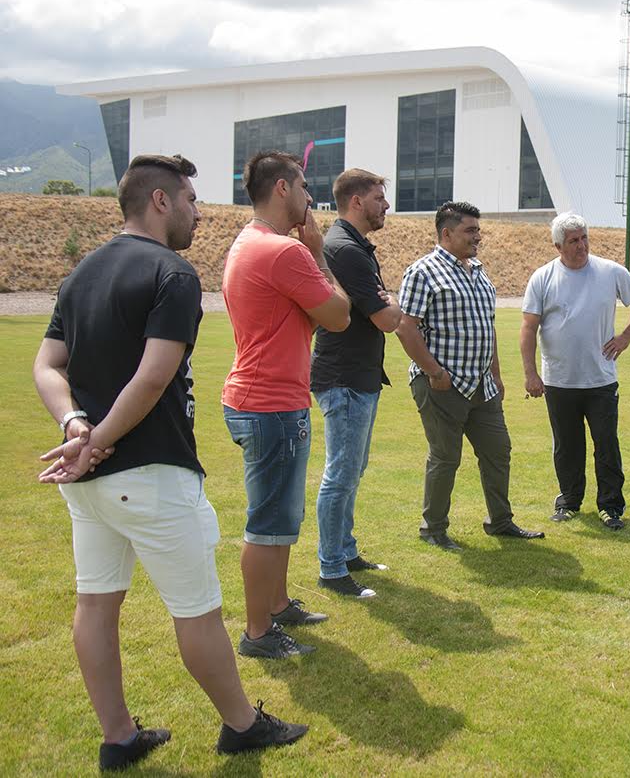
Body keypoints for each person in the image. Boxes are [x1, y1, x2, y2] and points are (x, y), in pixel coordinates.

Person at [33, 154, 307, 771]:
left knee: (95, 604)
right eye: (188, 199)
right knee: (198, 612)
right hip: (150, 473)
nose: (197, 212)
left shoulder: (81, 275)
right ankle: (242, 725)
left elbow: (47, 366)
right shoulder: (173, 273)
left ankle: (119, 737)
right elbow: (156, 376)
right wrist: (96, 437)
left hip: (92, 482)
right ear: (160, 202)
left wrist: (77, 429)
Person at [222, 151, 351, 659]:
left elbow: (306, 319)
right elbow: (339, 315)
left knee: (281, 516)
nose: (309, 198)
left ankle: (276, 605)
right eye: (303, 187)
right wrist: (318, 253)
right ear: (282, 188)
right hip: (271, 403)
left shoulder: (247, 244)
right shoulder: (286, 252)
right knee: (268, 522)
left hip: (261, 398)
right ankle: (258, 632)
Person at [395, 201, 545, 550]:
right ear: (446, 233)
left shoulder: (478, 270)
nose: (478, 236)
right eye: (470, 231)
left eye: (478, 230)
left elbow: (485, 328)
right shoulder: (423, 272)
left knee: (498, 450)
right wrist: (434, 372)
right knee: (446, 456)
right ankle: (433, 528)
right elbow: (406, 328)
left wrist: (495, 375)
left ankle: (500, 521)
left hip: (481, 384)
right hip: (441, 384)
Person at [520, 212, 630, 530]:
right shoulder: (543, 277)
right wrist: (530, 374)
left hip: (600, 378)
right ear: (557, 246)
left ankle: (610, 507)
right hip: (559, 379)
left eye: (584, 238)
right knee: (567, 445)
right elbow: (528, 327)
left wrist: (626, 336)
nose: (581, 246)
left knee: (606, 444)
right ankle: (569, 501)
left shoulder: (609, 272)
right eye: (573, 241)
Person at [310, 169, 401, 599]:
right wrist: (392, 302)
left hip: (357, 376)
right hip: (344, 376)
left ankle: (345, 551)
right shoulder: (344, 249)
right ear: (356, 201)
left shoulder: (353, 246)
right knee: (341, 474)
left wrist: (389, 304)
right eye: (380, 197)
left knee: (352, 470)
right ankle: (331, 567)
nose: (386, 205)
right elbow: (386, 319)